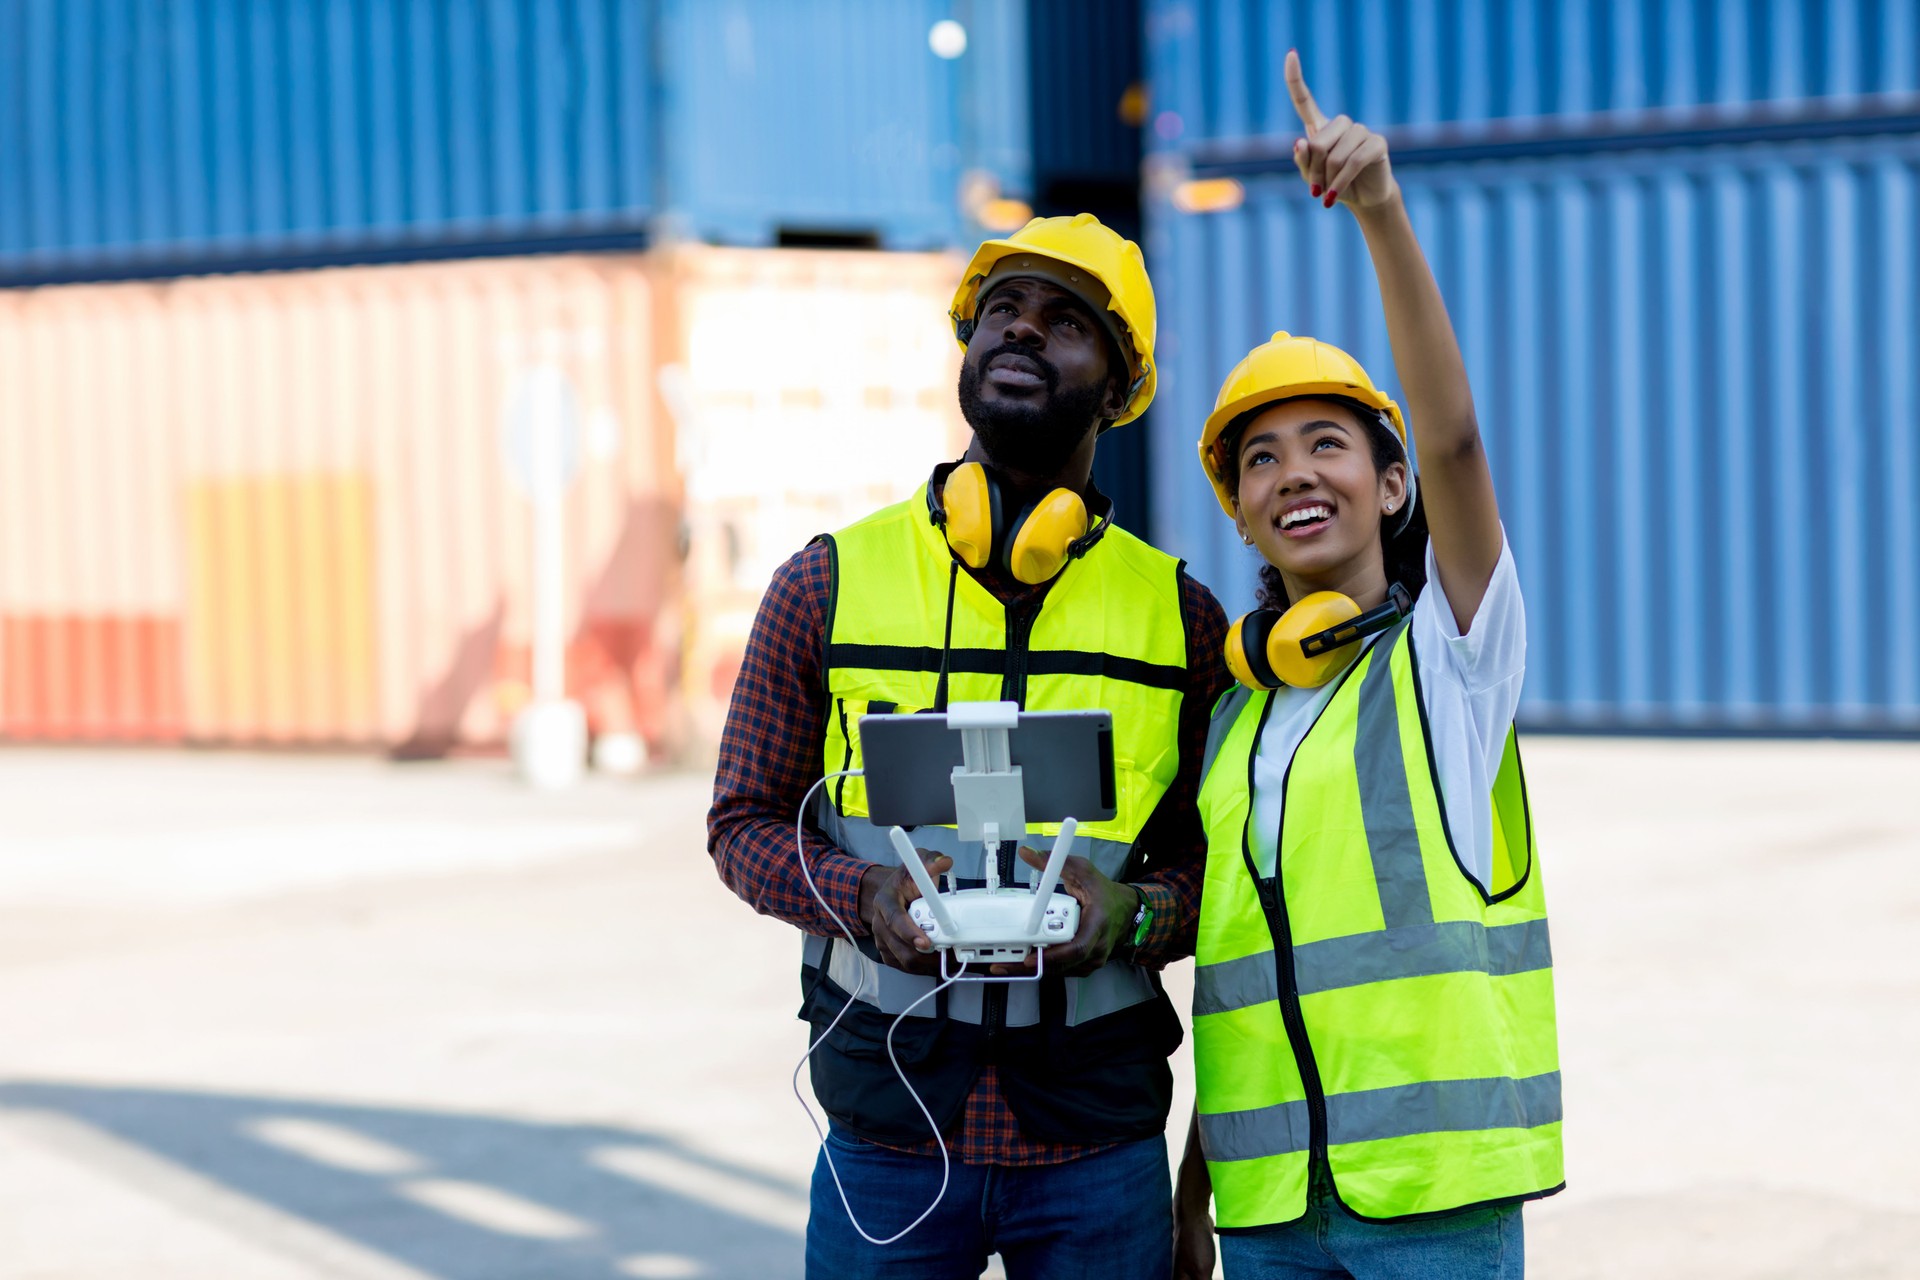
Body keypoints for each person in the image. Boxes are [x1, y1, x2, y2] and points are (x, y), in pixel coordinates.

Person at [708, 212, 1230, 1280]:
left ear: (1122, 382)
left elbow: (1218, 868)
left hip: (1097, 1138)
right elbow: (741, 824)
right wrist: (860, 896)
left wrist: (1131, 910)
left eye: (1067, 320)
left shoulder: (1180, 619)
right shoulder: (826, 583)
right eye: (1003, 310)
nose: (1024, 333)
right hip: (888, 1127)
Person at [1172, 53, 1563, 1280]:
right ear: (1239, 513)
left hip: (1432, 1206)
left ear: (1389, 486)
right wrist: (1197, 1187)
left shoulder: (1449, 664)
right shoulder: (1239, 717)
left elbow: (1453, 436)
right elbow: (1247, 974)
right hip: (1272, 1211)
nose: (1295, 473)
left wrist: (1382, 213)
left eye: (1328, 443)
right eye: (1261, 460)